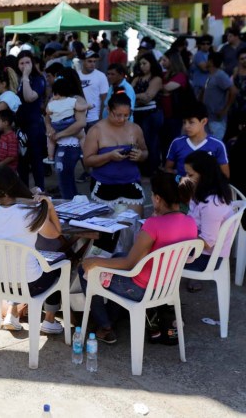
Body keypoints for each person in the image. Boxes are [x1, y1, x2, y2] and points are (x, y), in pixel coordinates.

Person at [79, 171, 198, 343]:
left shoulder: (153, 225)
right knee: (118, 255)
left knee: (85, 269)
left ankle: (105, 326)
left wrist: (94, 261)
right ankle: (113, 318)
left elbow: (129, 264)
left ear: (157, 199)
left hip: (139, 289)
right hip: (166, 285)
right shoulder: (190, 222)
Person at [0, 165, 64, 333]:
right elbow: (55, 233)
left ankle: (12, 311)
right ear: (16, 184)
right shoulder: (30, 213)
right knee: (58, 265)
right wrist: (50, 206)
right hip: (30, 284)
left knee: (13, 267)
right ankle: (49, 320)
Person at [83, 93, 148, 215]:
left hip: (130, 182)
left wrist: (140, 155)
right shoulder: (96, 130)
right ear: (108, 109)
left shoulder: (135, 128)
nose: (122, 119)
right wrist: (109, 156)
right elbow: (87, 161)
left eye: (126, 115)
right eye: (118, 115)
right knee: (106, 229)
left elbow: (145, 152)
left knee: (133, 225)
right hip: (104, 183)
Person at [180, 151, 235, 292]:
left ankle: (156, 299)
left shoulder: (212, 203)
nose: (186, 178)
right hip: (200, 248)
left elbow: (207, 242)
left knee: (156, 253)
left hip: (206, 258)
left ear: (204, 175)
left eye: (190, 175)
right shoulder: (204, 191)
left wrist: (178, 240)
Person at [165, 102, 229, 178]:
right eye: (184, 122)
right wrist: (180, 179)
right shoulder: (177, 143)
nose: (186, 126)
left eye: (191, 122)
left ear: (204, 121)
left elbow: (225, 176)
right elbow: (168, 169)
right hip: (182, 188)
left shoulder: (218, 145)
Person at [14, 50, 47, 191]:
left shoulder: (38, 79)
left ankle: (40, 192)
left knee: (36, 161)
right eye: (21, 63)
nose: (25, 66)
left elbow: (29, 97)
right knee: (22, 162)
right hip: (20, 126)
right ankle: (24, 193)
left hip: (34, 126)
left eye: (27, 62)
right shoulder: (16, 79)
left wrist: (26, 77)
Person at [132, 52, 164, 176]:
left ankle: (151, 171)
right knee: (139, 142)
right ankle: (142, 169)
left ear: (152, 64)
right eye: (140, 64)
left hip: (151, 115)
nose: (142, 66)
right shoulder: (137, 78)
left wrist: (136, 97)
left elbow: (147, 97)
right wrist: (139, 97)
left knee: (151, 142)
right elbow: (128, 93)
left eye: (145, 63)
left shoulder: (156, 79)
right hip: (138, 114)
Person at [43, 77, 87, 165]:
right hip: (69, 123)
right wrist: (88, 106)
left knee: (50, 139)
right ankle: (84, 153)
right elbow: (80, 109)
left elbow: (47, 112)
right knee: (82, 136)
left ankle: (50, 157)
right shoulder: (73, 100)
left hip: (56, 126)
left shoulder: (52, 102)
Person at [159, 49, 191, 162]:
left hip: (176, 115)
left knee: (173, 142)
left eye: (164, 60)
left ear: (172, 61)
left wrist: (161, 88)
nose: (162, 62)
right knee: (164, 143)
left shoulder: (181, 76)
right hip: (164, 115)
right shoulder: (164, 75)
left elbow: (166, 88)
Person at [202, 52, 237, 141]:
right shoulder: (210, 75)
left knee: (215, 143)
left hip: (217, 120)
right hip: (208, 117)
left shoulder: (220, 75)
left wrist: (225, 109)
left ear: (210, 61)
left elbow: (233, 91)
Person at [78, 50, 109, 131]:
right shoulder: (76, 75)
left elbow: (104, 100)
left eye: (94, 61)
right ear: (83, 61)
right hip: (78, 119)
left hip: (94, 119)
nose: (92, 64)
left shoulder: (101, 76)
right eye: (89, 61)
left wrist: (101, 118)